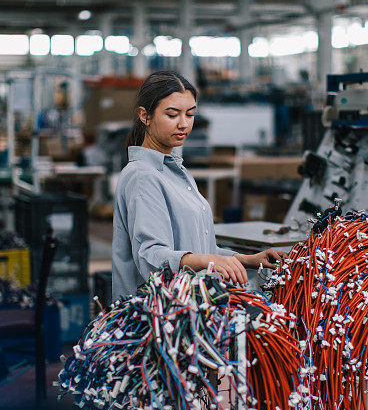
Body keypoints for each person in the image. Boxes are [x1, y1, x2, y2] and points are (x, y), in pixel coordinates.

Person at [112, 70, 285, 300]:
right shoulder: (142, 176)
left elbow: (201, 249)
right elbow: (151, 259)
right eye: (172, 115)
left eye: (190, 114)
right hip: (155, 319)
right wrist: (211, 261)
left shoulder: (175, 171)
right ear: (145, 116)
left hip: (189, 308)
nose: (183, 124)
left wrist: (248, 260)